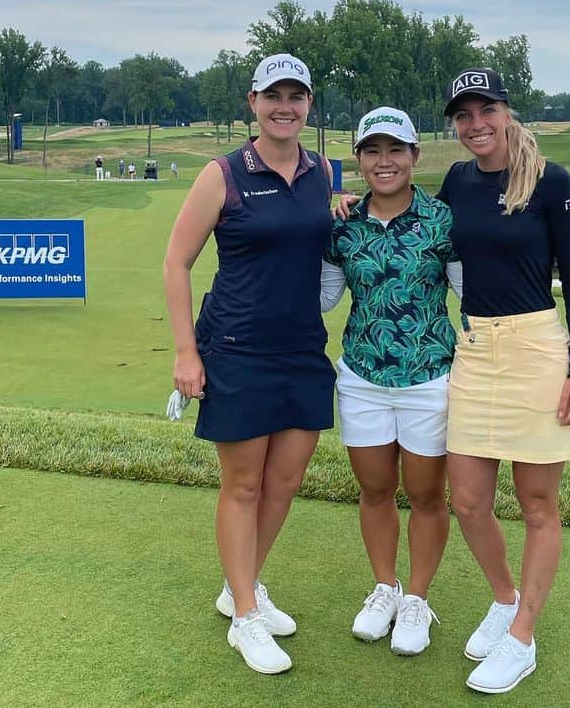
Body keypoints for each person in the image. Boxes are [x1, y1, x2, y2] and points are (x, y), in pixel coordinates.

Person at [163, 53, 335, 676]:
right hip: (237, 349)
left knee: (284, 481)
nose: (284, 106)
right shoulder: (224, 174)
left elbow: (321, 235)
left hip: (303, 351)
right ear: (253, 102)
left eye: (296, 95)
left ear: (309, 103)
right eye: (273, 96)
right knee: (243, 485)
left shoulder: (320, 172)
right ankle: (244, 613)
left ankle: (245, 583)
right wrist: (186, 351)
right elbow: (175, 263)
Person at [438, 68, 570, 694]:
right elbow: (422, 230)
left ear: (507, 112)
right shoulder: (456, 180)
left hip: (536, 348)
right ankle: (505, 599)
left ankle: (523, 638)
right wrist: (353, 207)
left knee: (536, 503)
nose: (476, 124)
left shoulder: (551, 182)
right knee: (468, 499)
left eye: (486, 111)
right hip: (474, 349)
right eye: (464, 115)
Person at [321, 107, 460, 657]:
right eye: (372, 151)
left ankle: (418, 599)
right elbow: (325, 297)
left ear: (414, 156)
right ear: (358, 159)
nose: (384, 162)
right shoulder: (344, 225)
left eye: (395, 150)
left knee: (427, 494)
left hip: (429, 377)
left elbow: (472, 297)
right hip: (361, 375)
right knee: (375, 489)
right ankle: (386, 588)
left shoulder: (441, 220)